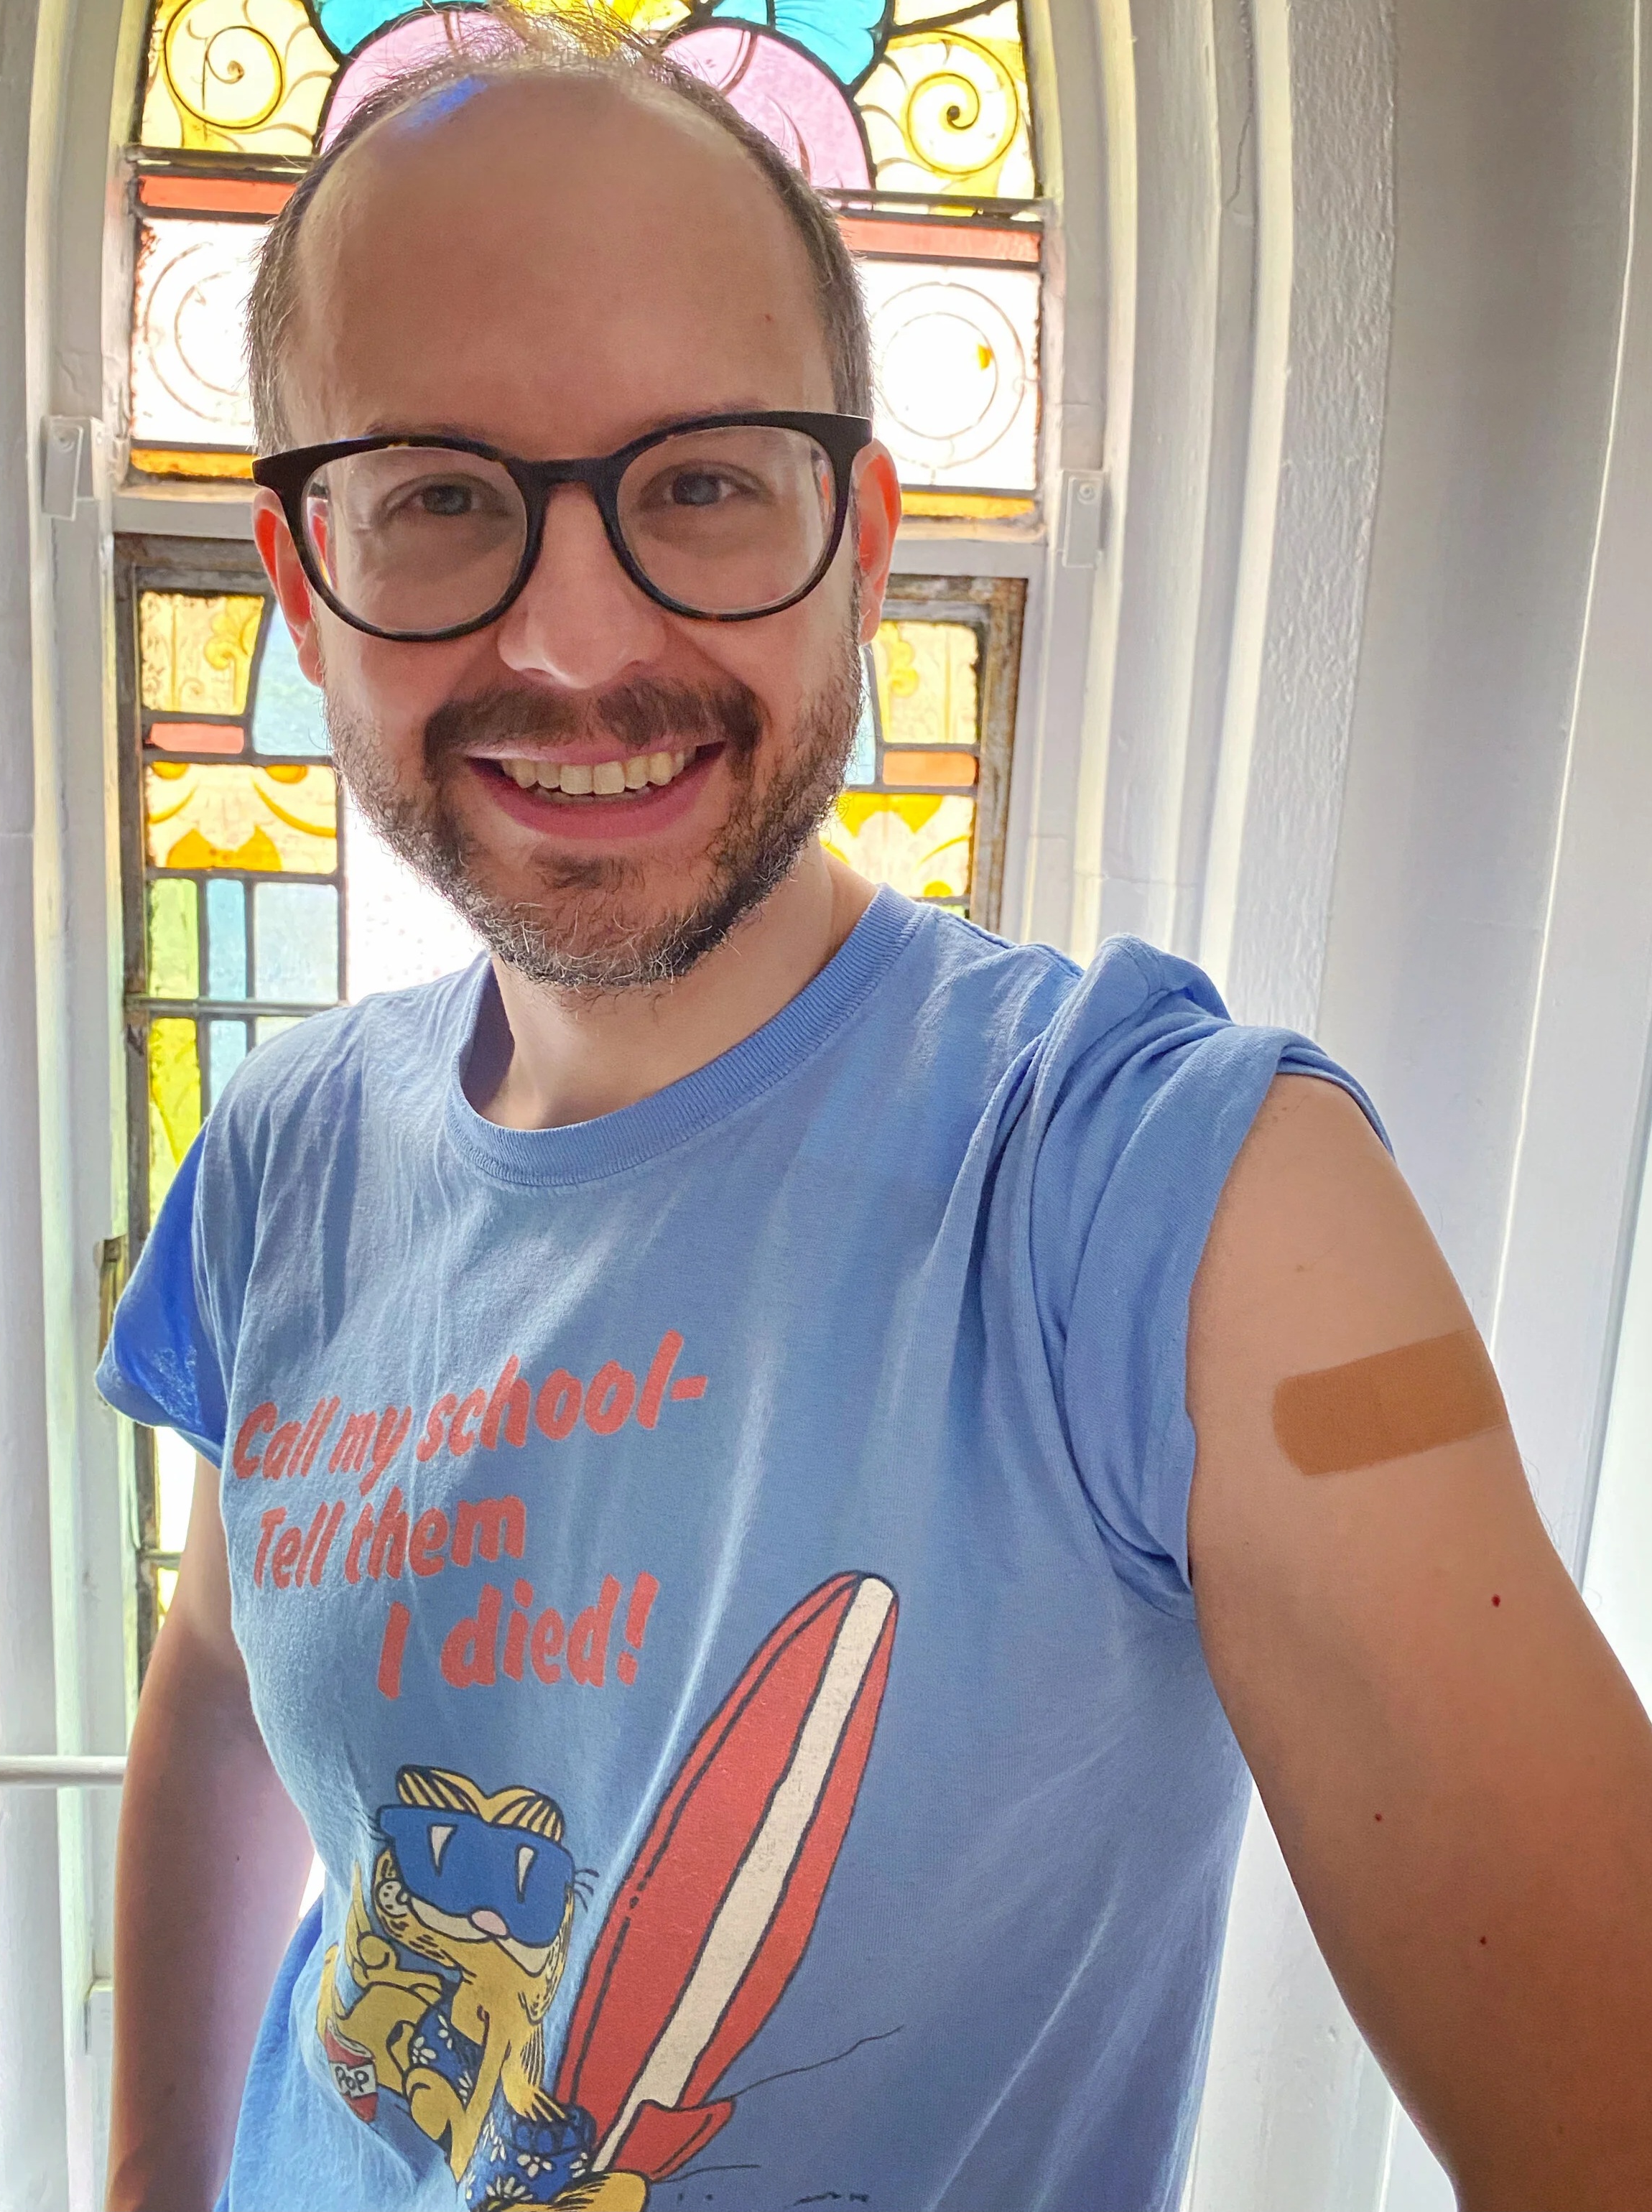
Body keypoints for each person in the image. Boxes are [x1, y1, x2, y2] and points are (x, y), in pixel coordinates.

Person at [96, 13, 1652, 2210]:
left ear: (859, 536)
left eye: (702, 481)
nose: (574, 642)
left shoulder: (1171, 1201)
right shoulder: (276, 1161)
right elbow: (219, 1684)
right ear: (296, 579)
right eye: (439, 495)